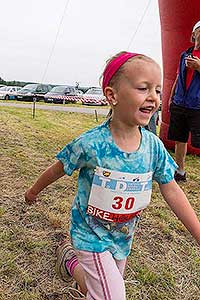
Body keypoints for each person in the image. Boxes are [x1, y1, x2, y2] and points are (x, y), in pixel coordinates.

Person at [25, 51, 200, 300]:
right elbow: (58, 168)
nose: (153, 97)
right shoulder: (91, 144)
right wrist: (33, 191)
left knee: (102, 287)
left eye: (158, 90)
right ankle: (76, 261)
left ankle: (70, 265)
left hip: (122, 238)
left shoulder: (153, 147)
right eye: (143, 88)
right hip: (89, 234)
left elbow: (171, 188)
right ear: (112, 95)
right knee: (112, 295)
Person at [168, 20, 200, 182]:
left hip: (197, 105)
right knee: (179, 139)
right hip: (180, 103)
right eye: (199, 30)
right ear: (193, 34)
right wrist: (171, 98)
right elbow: (178, 77)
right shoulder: (184, 54)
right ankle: (180, 172)